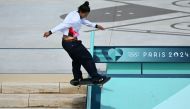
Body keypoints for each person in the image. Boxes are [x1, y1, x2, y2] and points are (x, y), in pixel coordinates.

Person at [43, 1, 110, 86]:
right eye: (86, 14)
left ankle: (77, 78)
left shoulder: (75, 13)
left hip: (66, 43)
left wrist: (96, 25)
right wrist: (50, 32)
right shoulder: (75, 19)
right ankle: (96, 77)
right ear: (82, 12)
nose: (86, 16)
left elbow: (84, 21)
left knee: (76, 60)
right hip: (72, 44)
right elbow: (62, 25)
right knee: (87, 58)